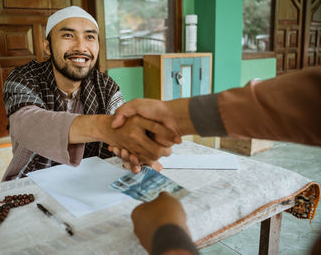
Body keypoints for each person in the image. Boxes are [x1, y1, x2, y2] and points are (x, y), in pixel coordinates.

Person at [111, 66, 321, 254]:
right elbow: (308, 97)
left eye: (90, 36)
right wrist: (171, 116)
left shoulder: (108, 87)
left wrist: (167, 233)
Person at [2, 6, 176, 180]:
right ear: (47, 46)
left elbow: (123, 125)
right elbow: (29, 125)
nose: (81, 47)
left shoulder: (104, 85)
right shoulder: (23, 78)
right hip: (33, 183)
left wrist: (138, 153)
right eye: (68, 35)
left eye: (90, 37)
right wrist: (103, 127)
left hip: (89, 181)